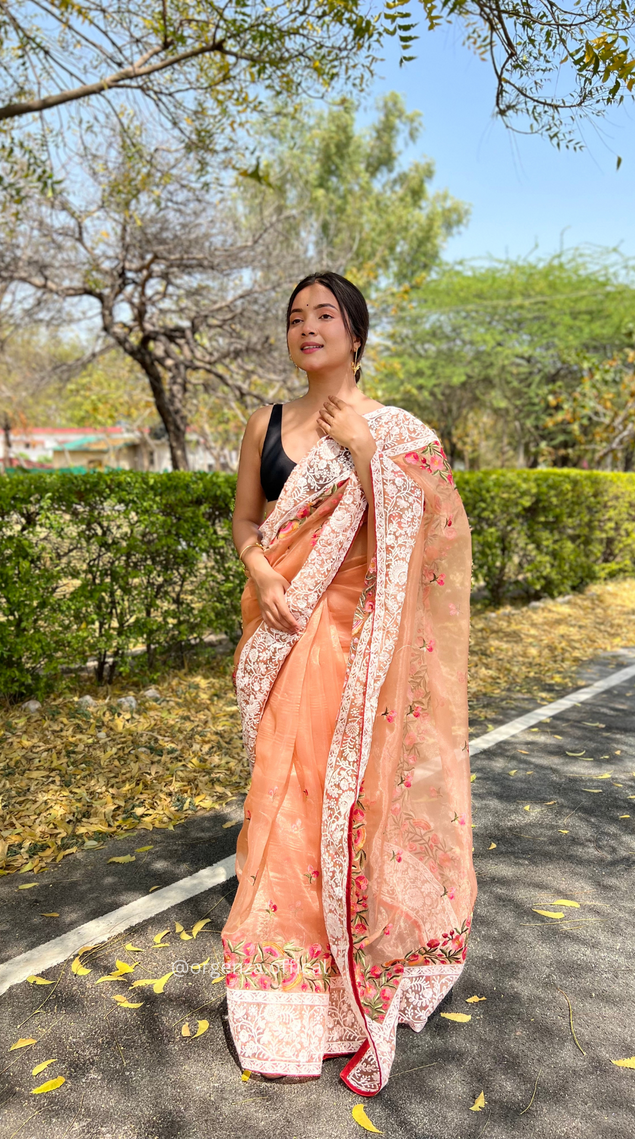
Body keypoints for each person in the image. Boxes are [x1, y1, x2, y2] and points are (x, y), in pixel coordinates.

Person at [222, 271, 477, 1096]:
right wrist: (263, 578)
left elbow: (434, 534)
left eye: (324, 314)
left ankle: (351, 969)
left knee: (356, 804)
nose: (308, 327)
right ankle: (286, 983)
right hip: (289, 630)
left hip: (363, 647)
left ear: (356, 334)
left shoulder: (396, 430)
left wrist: (368, 457)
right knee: (283, 798)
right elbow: (248, 522)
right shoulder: (264, 422)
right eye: (296, 317)